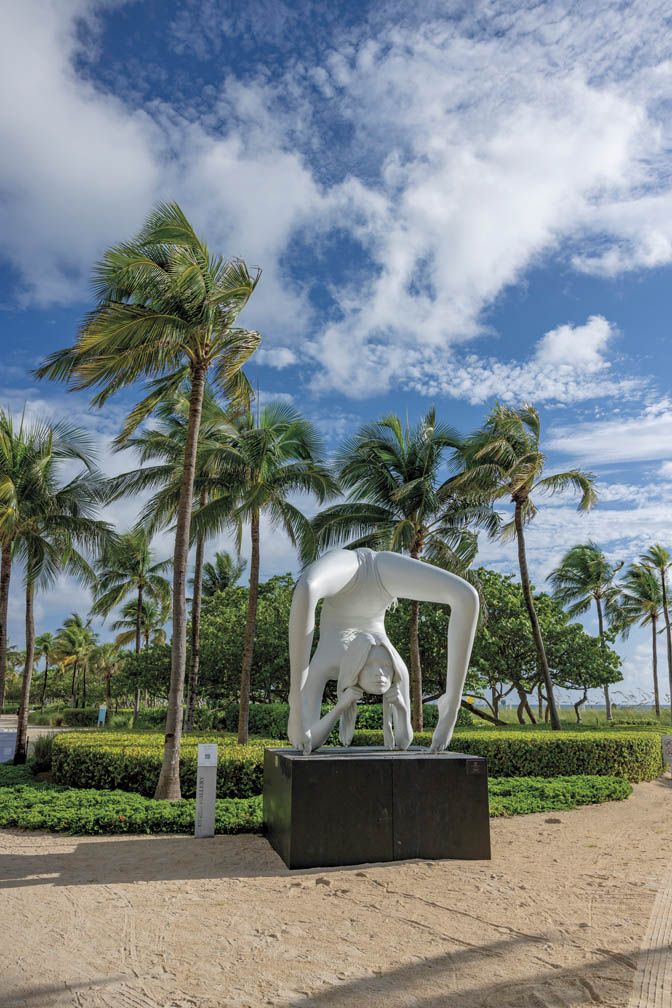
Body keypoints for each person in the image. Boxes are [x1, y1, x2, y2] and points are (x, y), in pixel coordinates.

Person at [288, 547, 479, 754]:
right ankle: (451, 705)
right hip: (376, 573)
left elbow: (303, 740)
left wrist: (300, 707)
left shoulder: (328, 663)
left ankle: (451, 705)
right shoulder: (394, 666)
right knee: (467, 596)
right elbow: (404, 741)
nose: (380, 673)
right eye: (377, 667)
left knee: (307, 587)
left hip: (359, 575)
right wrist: (402, 710)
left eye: (383, 668)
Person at [298, 631, 413, 754]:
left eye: (386, 665)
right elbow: (307, 743)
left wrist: (402, 710)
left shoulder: (400, 674)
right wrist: (339, 708)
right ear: (354, 669)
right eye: (368, 665)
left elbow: (404, 744)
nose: (379, 672)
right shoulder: (324, 665)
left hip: (380, 634)